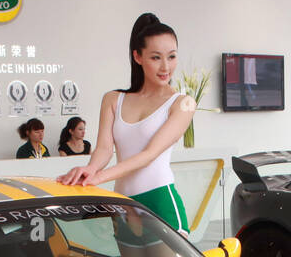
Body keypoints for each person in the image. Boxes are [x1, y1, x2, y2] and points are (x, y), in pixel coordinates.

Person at [57, 13, 196, 232]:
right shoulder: (113, 99)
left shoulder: (183, 103)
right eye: (155, 57)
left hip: (160, 201)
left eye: (171, 57)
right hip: (122, 202)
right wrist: (89, 169)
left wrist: (99, 177)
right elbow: (104, 148)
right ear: (138, 57)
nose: (165, 67)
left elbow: (149, 154)